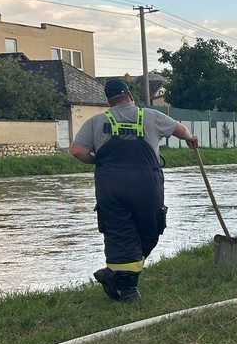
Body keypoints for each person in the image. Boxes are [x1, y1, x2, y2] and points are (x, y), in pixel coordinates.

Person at [70, 79, 198, 302]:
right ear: (130, 95)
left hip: (111, 187)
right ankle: (128, 288)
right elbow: (180, 129)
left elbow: (78, 151)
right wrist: (190, 138)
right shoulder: (152, 116)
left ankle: (116, 276)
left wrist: (98, 161)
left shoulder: (96, 122)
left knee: (119, 233)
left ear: (108, 101)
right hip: (146, 186)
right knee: (150, 230)